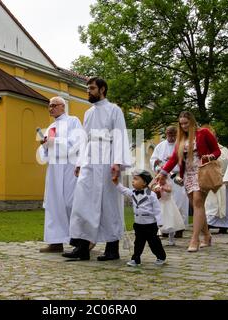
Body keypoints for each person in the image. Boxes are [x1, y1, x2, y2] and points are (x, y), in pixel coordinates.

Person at [63, 77, 132, 261]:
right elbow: (84, 138)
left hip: (107, 159)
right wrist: (79, 163)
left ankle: (112, 248)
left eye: (92, 88)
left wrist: (117, 162)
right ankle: (82, 247)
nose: (89, 91)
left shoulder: (114, 110)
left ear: (102, 89)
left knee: (109, 203)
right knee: (82, 202)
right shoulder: (88, 113)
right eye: (88, 88)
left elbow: (119, 136)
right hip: (89, 161)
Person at [155, 111, 220, 252]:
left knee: (197, 201)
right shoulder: (181, 139)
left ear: (192, 122)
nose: (184, 126)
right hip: (188, 175)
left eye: (186, 123)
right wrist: (162, 173)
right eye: (181, 124)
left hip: (203, 172)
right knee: (198, 205)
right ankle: (207, 236)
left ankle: (194, 239)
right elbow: (173, 159)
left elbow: (217, 151)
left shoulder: (204, 133)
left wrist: (210, 156)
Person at [37, 96, 83, 253]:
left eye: (54, 105)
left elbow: (77, 142)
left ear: (63, 106)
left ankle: (83, 240)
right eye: (49, 106)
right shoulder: (50, 127)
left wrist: (54, 142)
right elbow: (43, 153)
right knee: (53, 204)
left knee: (71, 203)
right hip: (54, 170)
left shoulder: (73, 121)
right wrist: (43, 145)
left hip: (69, 167)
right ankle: (56, 241)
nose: (51, 108)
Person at [113, 170, 166, 267]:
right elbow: (124, 190)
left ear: (144, 183)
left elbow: (157, 209)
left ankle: (161, 256)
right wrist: (116, 183)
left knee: (154, 242)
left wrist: (159, 221)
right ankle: (136, 259)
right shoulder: (133, 193)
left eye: (136, 179)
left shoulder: (151, 195)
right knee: (138, 243)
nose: (133, 181)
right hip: (138, 224)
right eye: (133, 179)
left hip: (150, 225)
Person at [150, 125, 189, 235]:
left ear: (176, 134)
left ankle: (179, 228)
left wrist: (174, 161)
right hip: (164, 178)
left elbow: (186, 160)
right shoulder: (160, 146)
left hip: (178, 176)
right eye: (169, 135)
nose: (171, 137)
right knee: (165, 205)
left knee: (179, 202)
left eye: (173, 135)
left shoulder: (181, 145)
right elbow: (153, 160)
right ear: (166, 134)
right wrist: (157, 165)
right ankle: (165, 228)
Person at [202, 125, 228, 234]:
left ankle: (224, 225)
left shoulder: (223, 149)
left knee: (225, 203)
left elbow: (226, 162)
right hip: (208, 180)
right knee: (210, 204)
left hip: (222, 180)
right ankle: (208, 224)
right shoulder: (203, 149)